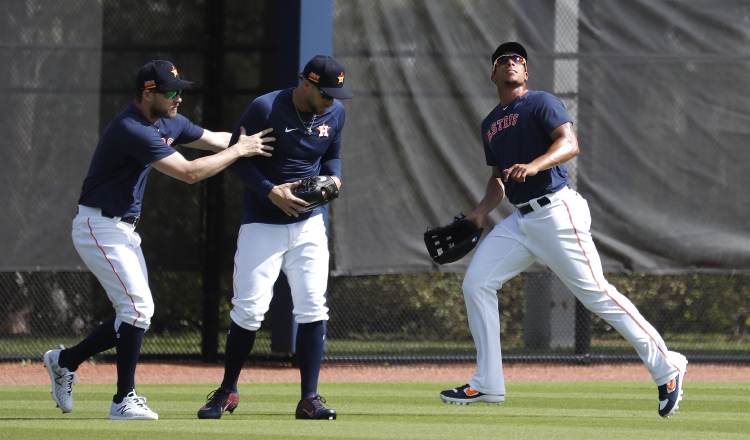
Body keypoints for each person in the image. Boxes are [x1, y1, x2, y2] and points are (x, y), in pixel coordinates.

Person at [438, 42, 688, 418]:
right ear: (493, 74)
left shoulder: (540, 102)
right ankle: (488, 382)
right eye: (503, 60)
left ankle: (667, 367)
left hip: (556, 211)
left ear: (526, 73)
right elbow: (498, 180)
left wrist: (536, 165)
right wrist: (478, 214)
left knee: (597, 295)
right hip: (521, 221)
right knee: (476, 284)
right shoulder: (490, 123)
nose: (511, 63)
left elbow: (569, 143)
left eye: (518, 60)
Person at [43, 60, 275, 420]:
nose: (179, 97)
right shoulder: (130, 127)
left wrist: (248, 142)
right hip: (97, 225)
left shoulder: (168, 120)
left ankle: (65, 360)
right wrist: (239, 151)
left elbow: (213, 139)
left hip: (122, 229)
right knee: (136, 310)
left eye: (180, 90)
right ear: (148, 93)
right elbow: (189, 172)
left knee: (138, 312)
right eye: (171, 91)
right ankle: (123, 400)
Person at [196, 55, 352, 421]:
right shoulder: (266, 108)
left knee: (313, 307)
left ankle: (309, 398)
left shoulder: (336, 113)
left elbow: (333, 157)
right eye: (326, 93)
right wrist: (270, 191)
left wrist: (335, 180)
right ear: (307, 84)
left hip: (309, 225)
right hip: (262, 224)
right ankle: (227, 390)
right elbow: (236, 158)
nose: (332, 100)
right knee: (249, 311)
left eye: (336, 93)